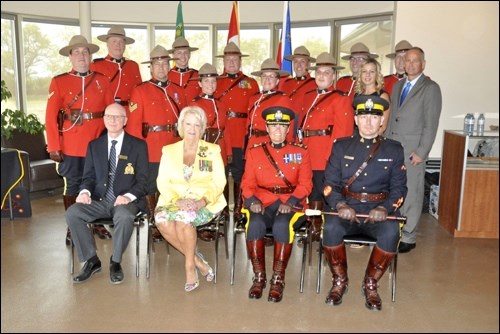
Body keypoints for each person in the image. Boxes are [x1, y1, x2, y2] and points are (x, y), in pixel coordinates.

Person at [322, 94, 407, 311]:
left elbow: (399, 189)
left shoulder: (394, 149)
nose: (368, 122)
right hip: (346, 209)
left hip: (377, 212)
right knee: (330, 227)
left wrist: (385, 208)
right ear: (356, 120)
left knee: (391, 232)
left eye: (374, 117)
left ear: (381, 121)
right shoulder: (341, 147)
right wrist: (339, 205)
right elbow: (329, 185)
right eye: (363, 116)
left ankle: (371, 283)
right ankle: (339, 280)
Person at [66, 103, 149, 284]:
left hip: (125, 202)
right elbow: (87, 176)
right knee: (73, 213)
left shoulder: (138, 146)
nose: (113, 120)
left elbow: (144, 181)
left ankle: (116, 261)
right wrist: (85, 192)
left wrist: (128, 196)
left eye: (118, 117)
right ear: (103, 119)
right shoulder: (94, 146)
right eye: (109, 116)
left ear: (125, 121)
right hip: (100, 200)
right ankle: (91, 260)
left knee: (125, 216)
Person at [45, 35, 114, 244]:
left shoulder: (102, 80)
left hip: (98, 144)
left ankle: (97, 222)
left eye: (85, 52)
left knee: (99, 185)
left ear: (91, 56)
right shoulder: (59, 81)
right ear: (70, 57)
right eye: (77, 52)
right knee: (73, 186)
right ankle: (73, 225)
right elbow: (50, 117)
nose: (81, 56)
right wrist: (54, 146)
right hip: (71, 145)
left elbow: (112, 112)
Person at [241, 104, 312, 303]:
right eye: (274, 126)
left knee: (282, 224)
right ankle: (259, 277)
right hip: (262, 201)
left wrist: (290, 201)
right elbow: (247, 183)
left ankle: (278, 279)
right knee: (255, 224)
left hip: (291, 203)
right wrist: (252, 200)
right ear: (268, 128)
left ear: (288, 129)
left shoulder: (301, 152)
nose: (278, 130)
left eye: (282, 126)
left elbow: (306, 184)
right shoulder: (255, 152)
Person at [154, 106, 226, 292]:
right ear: (181, 126)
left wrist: (201, 201)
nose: (192, 129)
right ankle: (198, 261)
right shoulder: (169, 151)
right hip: (173, 200)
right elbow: (162, 181)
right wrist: (177, 201)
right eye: (188, 124)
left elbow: (219, 182)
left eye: (197, 125)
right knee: (162, 220)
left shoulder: (212, 150)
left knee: (183, 221)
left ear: (203, 128)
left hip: (204, 202)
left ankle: (189, 268)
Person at [127, 45, 187, 243]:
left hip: (173, 145)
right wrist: (136, 153)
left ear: (170, 65)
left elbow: (185, 121)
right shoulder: (140, 91)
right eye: (157, 64)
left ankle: (170, 219)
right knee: (151, 186)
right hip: (150, 146)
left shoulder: (177, 91)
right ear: (150, 67)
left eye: (165, 63)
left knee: (171, 185)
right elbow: (134, 126)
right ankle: (154, 221)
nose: (161, 68)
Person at [385, 47, 442, 253]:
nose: (409, 64)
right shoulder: (398, 86)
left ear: (423, 64)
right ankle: (394, 230)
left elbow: (431, 123)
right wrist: (386, 145)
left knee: (413, 193)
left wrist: (422, 152)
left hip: (413, 152)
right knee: (395, 191)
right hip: (394, 149)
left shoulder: (430, 88)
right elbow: (393, 118)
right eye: (407, 60)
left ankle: (408, 236)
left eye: (415, 61)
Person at [298, 52, 354, 241]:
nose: (321, 76)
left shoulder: (341, 99)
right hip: (307, 151)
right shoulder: (307, 97)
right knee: (311, 190)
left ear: (333, 76)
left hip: (325, 154)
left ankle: (324, 230)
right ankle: (313, 226)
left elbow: (343, 134)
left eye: (326, 72)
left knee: (325, 193)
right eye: (318, 72)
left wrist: (334, 159)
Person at [214, 42, 260, 223]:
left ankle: (241, 209)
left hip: (242, 136)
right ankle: (222, 210)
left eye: (235, 59)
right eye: (228, 59)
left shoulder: (251, 82)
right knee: (220, 175)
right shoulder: (215, 81)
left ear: (240, 61)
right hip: (221, 137)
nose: (231, 62)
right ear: (223, 61)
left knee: (243, 175)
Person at [189, 63, 232, 237]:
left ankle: (214, 218)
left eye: (213, 81)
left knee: (216, 184)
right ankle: (200, 224)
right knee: (202, 185)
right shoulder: (194, 104)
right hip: (203, 149)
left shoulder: (220, 104)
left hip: (218, 149)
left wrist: (227, 152)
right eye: (206, 81)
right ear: (199, 83)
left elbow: (225, 130)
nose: (210, 84)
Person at [91, 25, 142, 107]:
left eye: (121, 42)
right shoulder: (96, 65)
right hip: (107, 113)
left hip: (129, 113)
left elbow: (139, 94)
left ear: (125, 45)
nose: (118, 45)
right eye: (114, 41)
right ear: (107, 44)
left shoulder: (133, 66)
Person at [247, 58, 292, 150]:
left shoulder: (283, 99)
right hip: (252, 143)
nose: (267, 79)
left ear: (277, 80)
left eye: (271, 76)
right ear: (261, 79)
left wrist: (285, 148)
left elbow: (288, 127)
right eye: (264, 76)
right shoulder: (254, 99)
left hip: (270, 144)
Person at [354, 58, 391, 134]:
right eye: (364, 71)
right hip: (357, 138)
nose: (367, 74)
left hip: (374, 140)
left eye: (372, 72)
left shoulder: (383, 96)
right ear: (360, 74)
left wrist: (369, 142)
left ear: (377, 75)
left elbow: (383, 127)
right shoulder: (357, 95)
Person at [278, 45, 317, 111]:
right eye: (296, 61)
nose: (299, 65)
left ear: (309, 64)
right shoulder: (286, 84)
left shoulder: (315, 85)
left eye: (302, 61)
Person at [168, 37, 201, 102]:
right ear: (173, 55)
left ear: (189, 55)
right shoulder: (166, 76)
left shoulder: (198, 76)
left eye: (185, 52)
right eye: (179, 53)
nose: (183, 56)